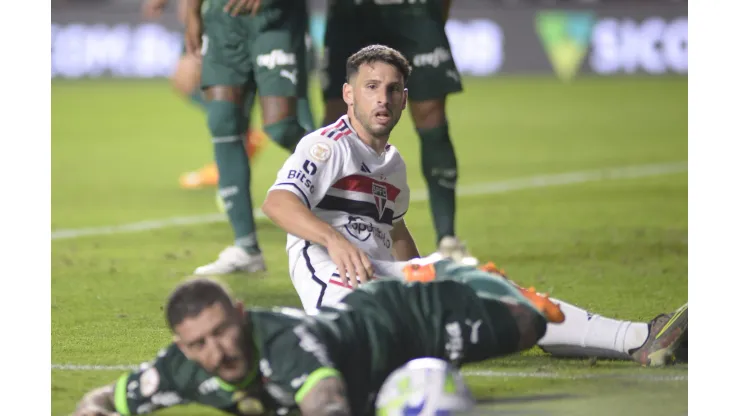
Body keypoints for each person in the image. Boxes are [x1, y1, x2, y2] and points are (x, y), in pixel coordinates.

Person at [262, 44, 688, 367]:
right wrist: (334, 241)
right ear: (348, 94)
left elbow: (395, 233)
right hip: (339, 284)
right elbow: (278, 202)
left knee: (489, 288)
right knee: (385, 349)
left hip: (382, 277)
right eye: (371, 88)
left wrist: (427, 274)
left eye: (392, 90)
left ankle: (639, 338)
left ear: (405, 99)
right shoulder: (326, 145)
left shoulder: (392, 164)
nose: (382, 99)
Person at [71, 257, 559, 416]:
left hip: (402, 320)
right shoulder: (175, 370)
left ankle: (452, 272)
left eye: (222, 331)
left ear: (241, 315)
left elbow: (326, 400)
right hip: (372, 369)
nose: (217, 352)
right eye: (199, 344)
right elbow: (102, 400)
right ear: (182, 347)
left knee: (530, 324)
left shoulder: (282, 343)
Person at [182, 0, 318, 275]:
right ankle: (246, 248)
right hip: (222, 20)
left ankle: (347, 170)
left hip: (272, 17)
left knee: (281, 127)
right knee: (223, 121)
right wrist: (192, 12)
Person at [319, 0, 461, 247]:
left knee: (431, 113)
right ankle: (332, 228)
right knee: (337, 116)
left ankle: (447, 239)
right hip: (351, 12)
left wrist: (436, 18)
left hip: (415, 11)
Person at [140, 0, 271, 189]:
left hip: (214, 17)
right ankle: (238, 141)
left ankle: (236, 145)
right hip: (203, 18)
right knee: (186, 82)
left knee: (195, 80)